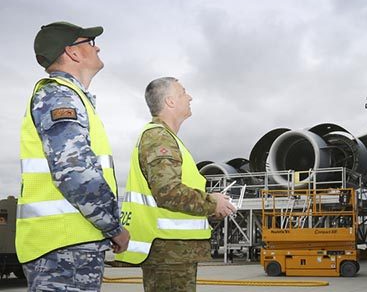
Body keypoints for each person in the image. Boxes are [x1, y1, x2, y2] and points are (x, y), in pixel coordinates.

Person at [17, 21, 130, 291]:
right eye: (89, 42)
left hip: (69, 245)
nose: (97, 46)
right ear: (73, 52)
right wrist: (114, 227)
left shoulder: (71, 96)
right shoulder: (59, 96)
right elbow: (75, 172)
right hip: (62, 249)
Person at [116, 77, 236, 291]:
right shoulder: (159, 138)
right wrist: (212, 202)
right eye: (183, 93)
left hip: (174, 252)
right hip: (168, 253)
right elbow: (168, 192)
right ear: (170, 101)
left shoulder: (166, 137)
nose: (189, 97)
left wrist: (211, 212)